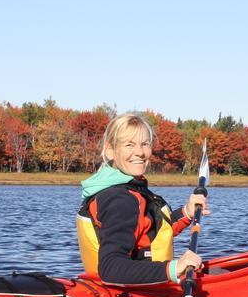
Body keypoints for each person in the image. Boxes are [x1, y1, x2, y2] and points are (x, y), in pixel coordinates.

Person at [77, 113, 207, 285]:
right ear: (110, 151)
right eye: (129, 145)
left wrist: (186, 213)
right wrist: (174, 268)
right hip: (130, 296)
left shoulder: (123, 189)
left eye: (145, 144)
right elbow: (110, 267)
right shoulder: (121, 200)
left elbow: (150, 231)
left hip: (120, 292)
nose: (139, 152)